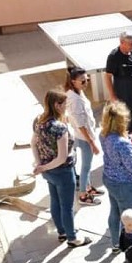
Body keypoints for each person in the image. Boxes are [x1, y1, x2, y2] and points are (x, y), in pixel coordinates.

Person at [31, 89, 91, 248]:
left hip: (49, 173)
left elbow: (33, 143)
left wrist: (40, 165)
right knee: (67, 206)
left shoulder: (38, 121)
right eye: (65, 104)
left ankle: (62, 231)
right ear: (57, 105)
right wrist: (43, 167)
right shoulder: (59, 128)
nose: (67, 107)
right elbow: (62, 158)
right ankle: (72, 238)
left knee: (55, 202)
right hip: (63, 172)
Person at [101, 101, 132, 252]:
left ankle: (116, 243)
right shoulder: (123, 144)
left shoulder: (104, 135)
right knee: (129, 218)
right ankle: (129, 247)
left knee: (114, 212)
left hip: (109, 179)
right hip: (125, 185)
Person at [64, 67, 103, 206]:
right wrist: (92, 142)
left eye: (87, 80)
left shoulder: (75, 93)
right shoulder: (75, 99)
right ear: (73, 81)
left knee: (85, 165)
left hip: (79, 135)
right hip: (83, 137)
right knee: (86, 167)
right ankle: (83, 195)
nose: (86, 83)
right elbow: (81, 124)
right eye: (82, 81)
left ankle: (87, 187)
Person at [105, 34, 132, 134]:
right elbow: (107, 76)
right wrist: (112, 96)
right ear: (122, 43)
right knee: (125, 119)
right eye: (130, 44)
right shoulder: (114, 56)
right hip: (124, 94)